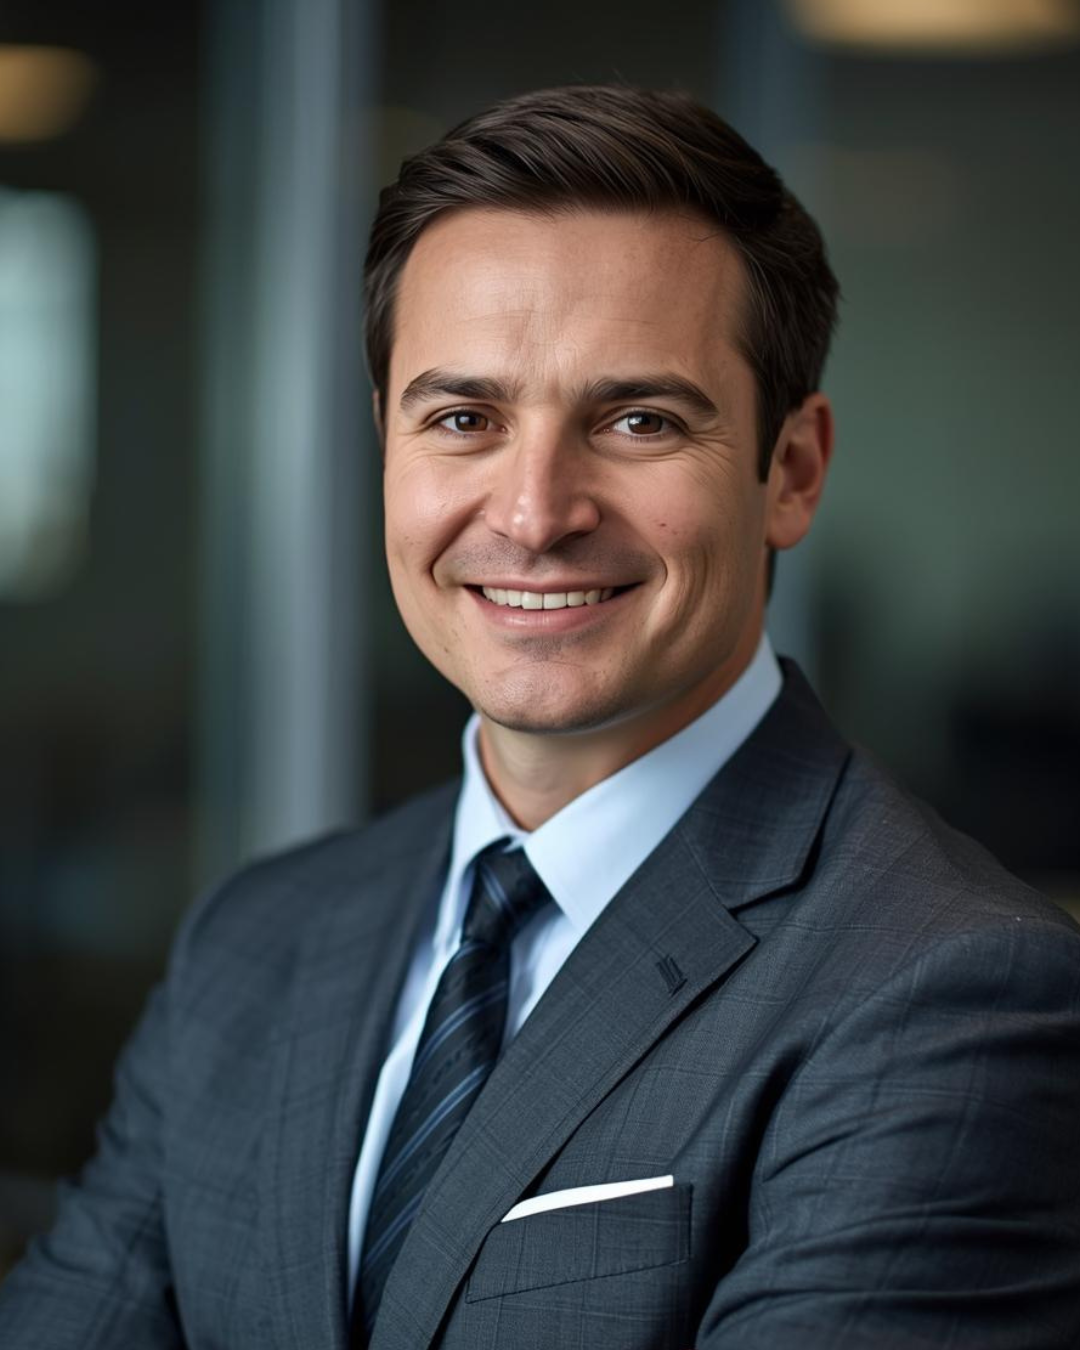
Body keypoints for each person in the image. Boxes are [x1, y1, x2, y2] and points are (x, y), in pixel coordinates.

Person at [2, 83, 1079, 1350]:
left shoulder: (952, 993)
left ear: (789, 470)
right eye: (463, 419)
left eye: (636, 420)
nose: (533, 511)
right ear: (387, 452)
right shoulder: (260, 938)